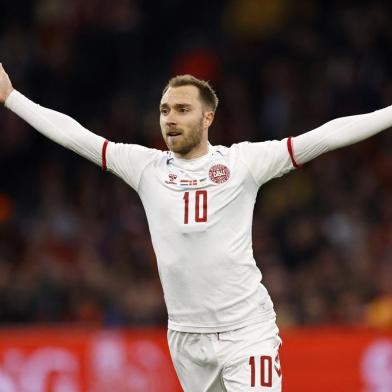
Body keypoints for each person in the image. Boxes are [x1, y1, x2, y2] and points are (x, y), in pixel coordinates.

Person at [0, 63, 390, 391]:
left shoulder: (243, 163)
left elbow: (324, 137)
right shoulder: (144, 167)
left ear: (208, 118)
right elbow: (76, 136)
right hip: (186, 338)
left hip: (246, 332)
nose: (170, 118)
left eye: (182, 109)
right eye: (165, 109)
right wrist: (12, 97)